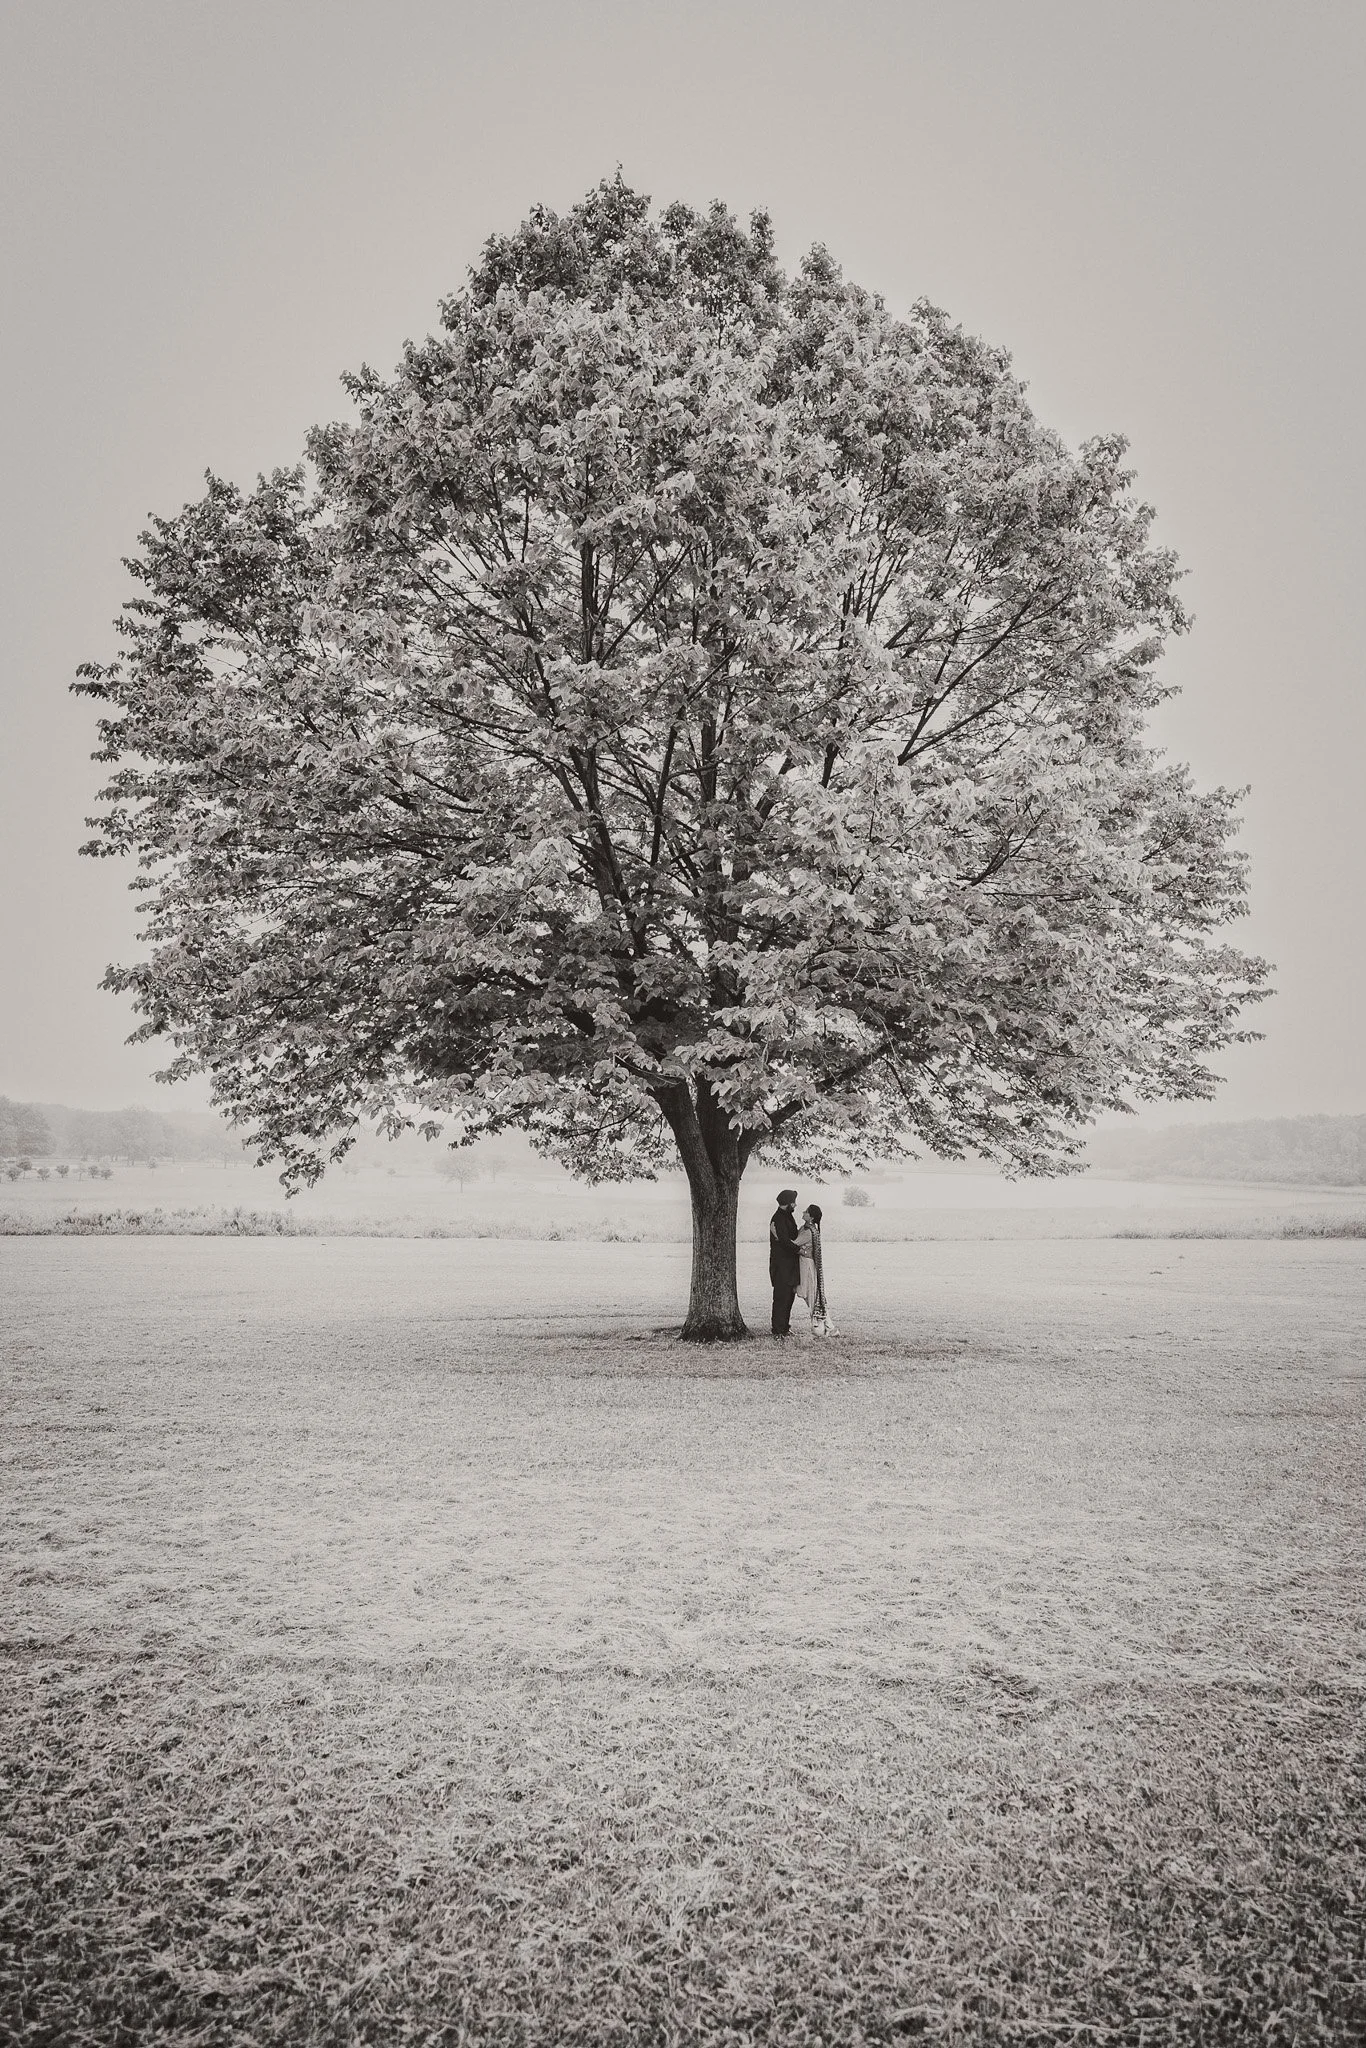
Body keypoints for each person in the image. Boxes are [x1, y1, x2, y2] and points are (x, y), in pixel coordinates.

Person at [795, 1203, 836, 1336]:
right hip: (805, 1263)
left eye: (806, 1211)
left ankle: (823, 1327)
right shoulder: (807, 1228)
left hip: (806, 1265)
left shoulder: (808, 1232)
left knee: (811, 1296)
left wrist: (777, 1235)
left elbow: (792, 1244)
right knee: (812, 1295)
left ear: (811, 1217)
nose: (803, 1212)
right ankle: (829, 1326)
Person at [769, 1188, 800, 1338]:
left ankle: (784, 1328)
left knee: (788, 1297)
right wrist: (799, 1249)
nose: (795, 1205)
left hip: (789, 1265)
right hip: (781, 1266)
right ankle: (777, 1329)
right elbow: (784, 1241)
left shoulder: (787, 1216)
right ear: (787, 1203)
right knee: (781, 1297)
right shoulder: (778, 1219)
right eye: (793, 1202)